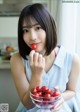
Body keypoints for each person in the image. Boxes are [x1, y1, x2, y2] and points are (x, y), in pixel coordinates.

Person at [10, 3, 80, 112]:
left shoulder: (72, 59)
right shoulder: (17, 60)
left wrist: (61, 96)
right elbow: (28, 104)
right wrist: (36, 75)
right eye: (26, 30)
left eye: (38, 28)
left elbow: (72, 91)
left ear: (49, 27)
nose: (32, 37)